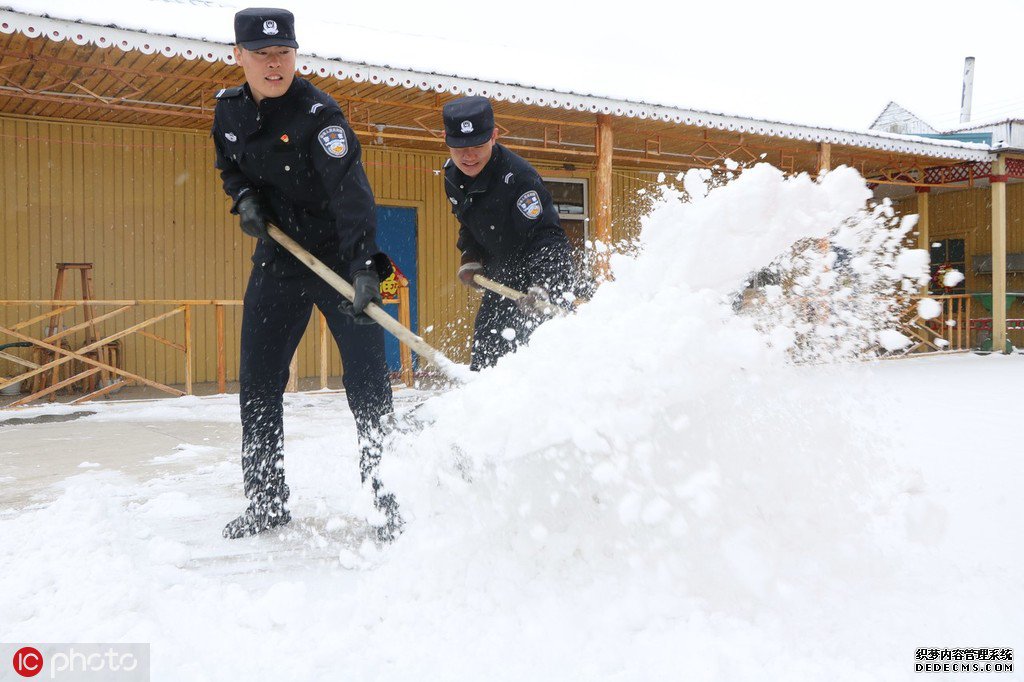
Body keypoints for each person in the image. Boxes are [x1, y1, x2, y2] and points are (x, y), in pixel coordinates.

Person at [211, 8, 400, 541]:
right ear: (239, 56)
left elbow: (353, 195)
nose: (275, 65)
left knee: (369, 382)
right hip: (279, 259)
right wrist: (244, 198)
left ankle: (386, 500)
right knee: (259, 382)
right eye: (263, 54)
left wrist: (367, 267)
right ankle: (266, 502)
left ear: (295, 54)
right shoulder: (227, 113)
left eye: (284, 54)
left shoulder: (320, 115)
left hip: (344, 261)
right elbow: (229, 167)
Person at [442, 96, 576, 371]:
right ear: (445, 139)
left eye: (478, 146)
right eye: (459, 148)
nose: (468, 157)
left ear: (494, 136)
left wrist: (545, 286)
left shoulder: (519, 178)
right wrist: (470, 254)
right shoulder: (453, 176)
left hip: (541, 287)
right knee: (484, 362)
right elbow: (469, 223)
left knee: (540, 371)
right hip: (502, 280)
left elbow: (547, 237)